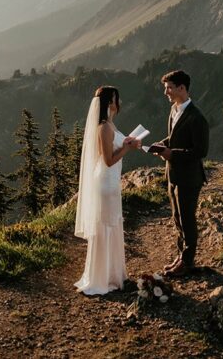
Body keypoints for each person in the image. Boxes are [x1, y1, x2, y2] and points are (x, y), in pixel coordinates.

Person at [73, 85, 141, 295]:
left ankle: (112, 275)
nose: (119, 103)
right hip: (105, 183)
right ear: (111, 102)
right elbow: (108, 160)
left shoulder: (110, 124)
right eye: (117, 99)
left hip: (111, 183)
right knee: (105, 227)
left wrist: (127, 142)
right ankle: (100, 278)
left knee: (111, 225)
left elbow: (113, 149)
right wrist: (127, 148)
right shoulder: (104, 127)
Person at [150, 69, 209, 277]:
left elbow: (201, 151)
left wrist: (171, 153)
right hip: (173, 175)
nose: (166, 92)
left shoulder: (197, 117)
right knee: (177, 218)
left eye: (169, 88)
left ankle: (188, 262)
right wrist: (163, 145)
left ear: (182, 88)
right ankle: (180, 257)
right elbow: (175, 137)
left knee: (187, 219)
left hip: (189, 178)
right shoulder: (175, 110)